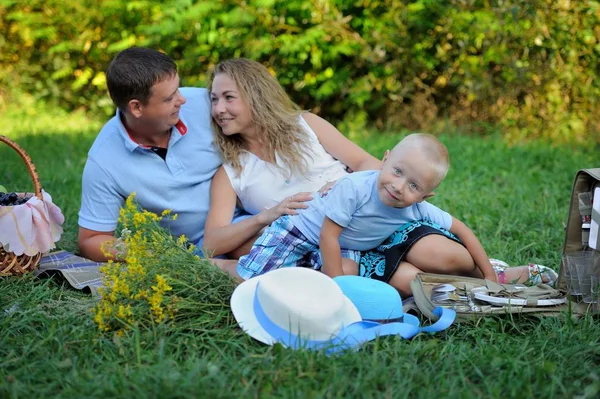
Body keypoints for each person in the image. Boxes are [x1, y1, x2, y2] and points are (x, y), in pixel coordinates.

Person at [235, 134, 497, 296]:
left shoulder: (416, 208)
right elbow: (328, 235)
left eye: (413, 186)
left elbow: (462, 230)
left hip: (346, 245)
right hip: (298, 230)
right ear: (385, 159)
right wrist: (335, 288)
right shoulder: (355, 188)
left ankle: (304, 274)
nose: (398, 186)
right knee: (249, 282)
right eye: (397, 171)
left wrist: (489, 276)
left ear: (424, 197)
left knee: (344, 271)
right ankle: (220, 265)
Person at [77, 47, 249, 262]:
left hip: (253, 212)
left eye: (178, 89)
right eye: (169, 98)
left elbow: (269, 124)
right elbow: (91, 239)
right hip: (199, 247)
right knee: (253, 256)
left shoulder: (208, 105)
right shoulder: (104, 160)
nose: (182, 100)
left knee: (266, 246)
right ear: (136, 108)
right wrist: (153, 256)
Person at [201, 58, 381, 259]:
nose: (218, 109)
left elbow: (369, 163)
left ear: (256, 96)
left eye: (229, 97)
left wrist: (343, 184)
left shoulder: (306, 126)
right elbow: (211, 243)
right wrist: (265, 217)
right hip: (310, 245)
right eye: (214, 99)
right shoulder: (230, 173)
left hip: (360, 218)